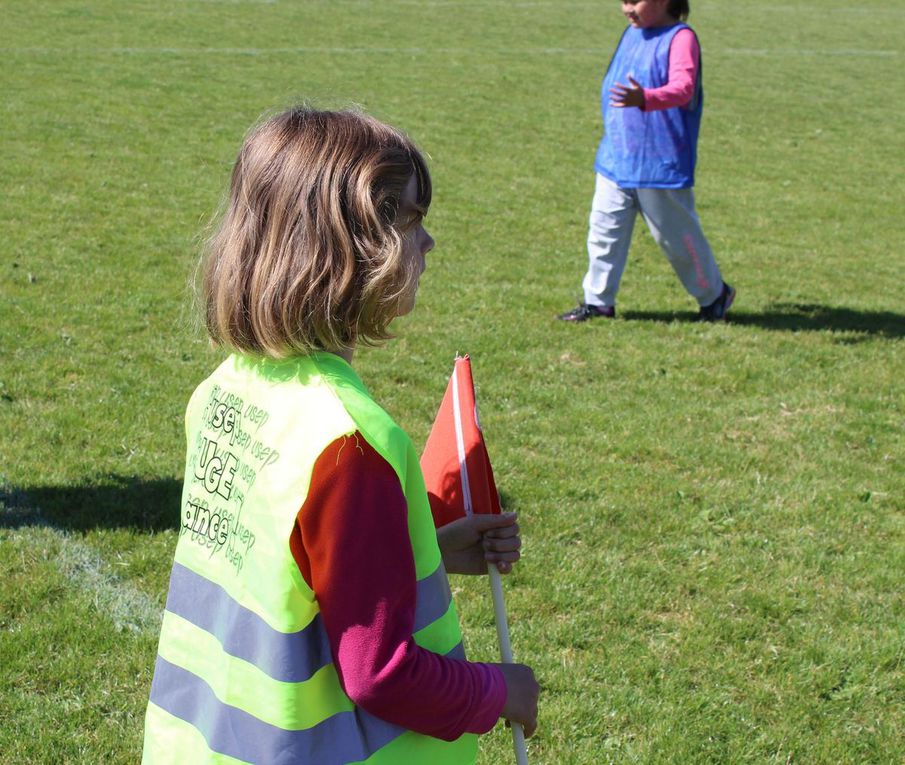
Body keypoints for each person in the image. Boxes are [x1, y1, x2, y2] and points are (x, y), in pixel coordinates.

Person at [141, 106, 539, 764]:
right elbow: (381, 673)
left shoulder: (224, 390)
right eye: (412, 220)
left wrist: (427, 554)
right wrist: (499, 690)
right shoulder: (349, 444)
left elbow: (287, 574)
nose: (428, 243)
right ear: (353, 250)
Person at [558, 0, 735, 322]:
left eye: (634, 1)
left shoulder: (681, 38)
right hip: (616, 158)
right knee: (603, 233)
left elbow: (684, 88)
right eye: (623, 1)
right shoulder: (631, 32)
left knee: (678, 240)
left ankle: (715, 295)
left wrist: (646, 98)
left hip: (659, 164)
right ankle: (598, 302)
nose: (627, 8)